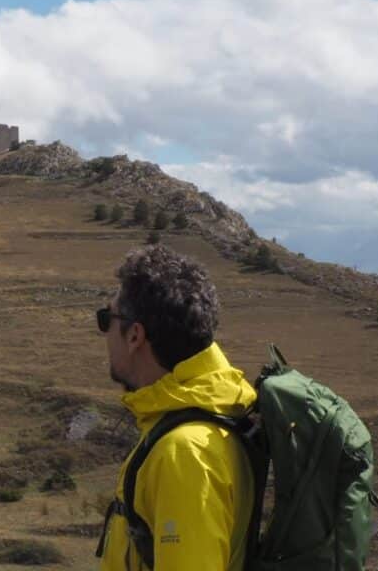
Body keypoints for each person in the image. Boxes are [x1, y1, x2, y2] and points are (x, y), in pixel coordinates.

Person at [96, 245, 256, 571]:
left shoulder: (184, 452)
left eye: (105, 319)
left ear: (135, 335)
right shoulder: (210, 414)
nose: (103, 332)